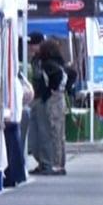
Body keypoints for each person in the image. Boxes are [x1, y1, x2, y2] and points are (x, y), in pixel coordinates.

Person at [31, 41, 75, 176]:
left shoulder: (49, 65)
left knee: (53, 132)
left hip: (53, 100)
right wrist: (66, 88)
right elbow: (71, 74)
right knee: (59, 133)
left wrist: (50, 91)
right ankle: (59, 163)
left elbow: (60, 76)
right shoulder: (59, 63)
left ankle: (55, 164)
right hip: (60, 99)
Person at [25, 33, 50, 174]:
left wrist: (48, 94)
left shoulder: (45, 60)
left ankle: (46, 162)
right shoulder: (34, 59)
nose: (29, 47)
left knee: (43, 132)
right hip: (35, 98)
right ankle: (41, 161)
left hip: (42, 99)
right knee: (35, 133)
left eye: (32, 44)